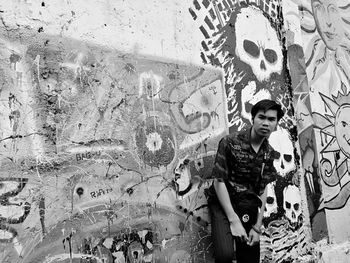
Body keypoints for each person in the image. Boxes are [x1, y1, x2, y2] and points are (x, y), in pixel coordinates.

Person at [207, 99, 284, 263]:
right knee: (225, 255)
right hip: (222, 202)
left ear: (276, 124)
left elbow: (262, 190)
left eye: (271, 119)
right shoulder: (230, 142)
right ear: (253, 118)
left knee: (249, 258)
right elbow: (218, 182)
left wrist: (257, 227)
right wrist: (233, 220)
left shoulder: (268, 153)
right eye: (261, 117)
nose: (266, 123)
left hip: (247, 205)